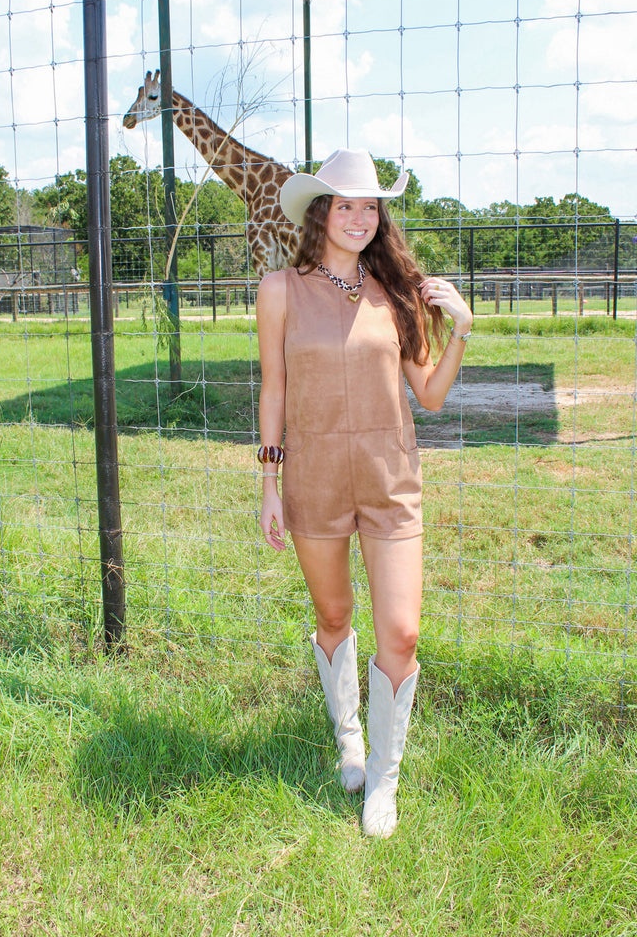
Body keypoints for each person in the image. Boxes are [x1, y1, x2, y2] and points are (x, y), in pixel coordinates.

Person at [256, 148, 473, 838]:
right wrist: (268, 480)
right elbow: (274, 389)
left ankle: (385, 775)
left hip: (391, 484)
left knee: (402, 634)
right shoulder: (280, 290)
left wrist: (461, 330)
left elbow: (431, 395)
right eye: (345, 203)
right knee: (334, 614)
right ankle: (347, 730)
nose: (359, 215)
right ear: (320, 212)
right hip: (313, 479)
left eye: (370, 205)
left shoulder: (395, 294)